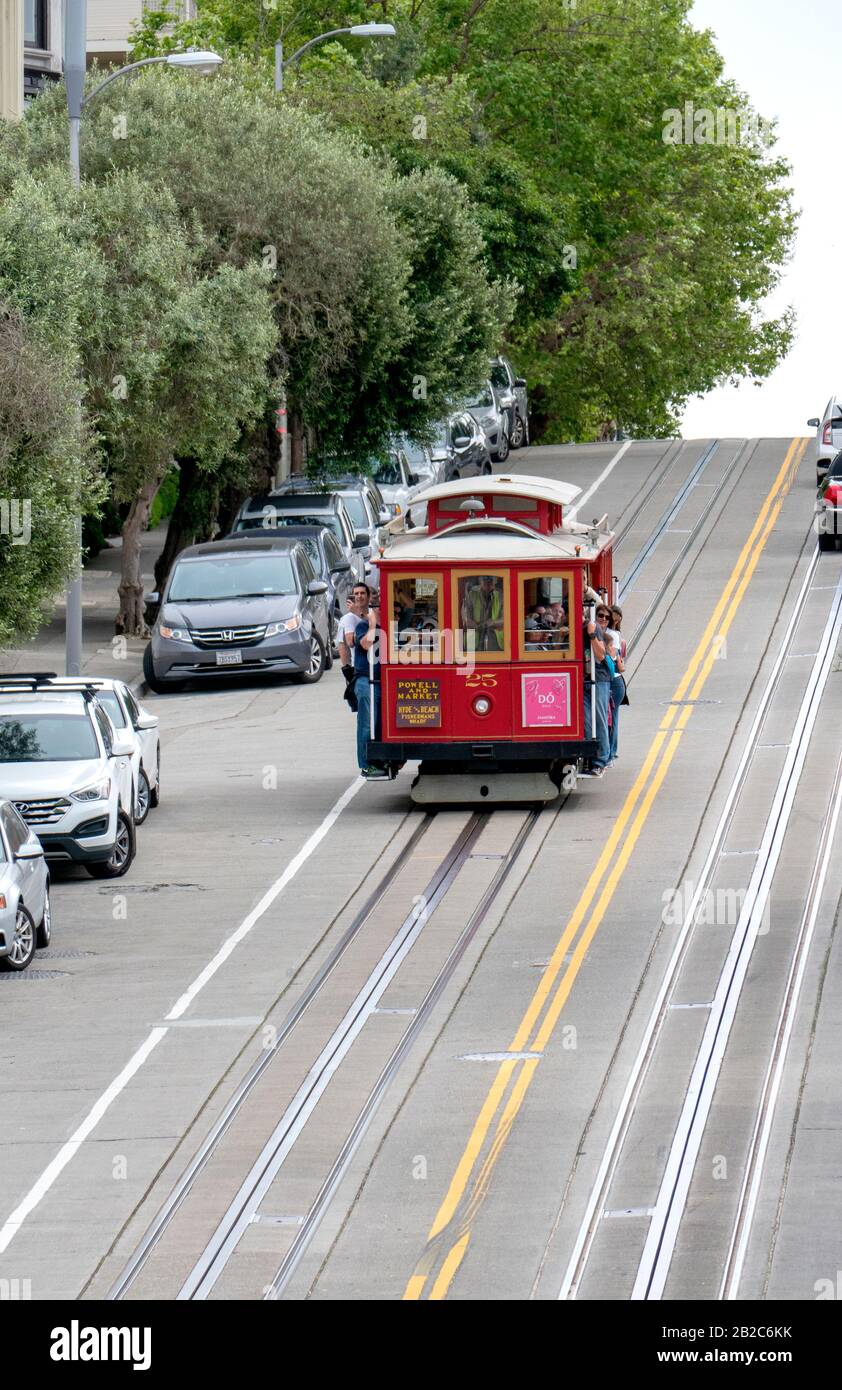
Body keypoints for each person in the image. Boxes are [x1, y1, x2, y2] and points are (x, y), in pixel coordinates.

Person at [351, 604, 388, 779]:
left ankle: (380, 760)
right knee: (367, 724)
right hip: (366, 680)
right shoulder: (363, 626)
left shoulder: (386, 626)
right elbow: (366, 644)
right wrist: (372, 623)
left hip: (381, 681)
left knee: (381, 723)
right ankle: (366, 765)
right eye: (378, 606)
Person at [581, 604, 611, 776]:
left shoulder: (595, 628)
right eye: (601, 615)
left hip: (599, 679)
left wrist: (592, 634)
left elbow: (600, 656)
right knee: (587, 720)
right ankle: (590, 758)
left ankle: (602, 759)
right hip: (584, 679)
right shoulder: (577, 628)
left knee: (599, 719)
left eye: (606, 617)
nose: (603, 619)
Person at [606, 604, 627, 763]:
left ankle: (611, 752)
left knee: (611, 718)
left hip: (613, 680)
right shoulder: (615, 633)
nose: (605, 619)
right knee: (614, 717)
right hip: (617, 681)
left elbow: (615, 657)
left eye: (608, 616)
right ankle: (612, 751)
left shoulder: (611, 634)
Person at [462, 575, 505, 652]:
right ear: (479, 580)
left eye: (491, 579)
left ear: (496, 580)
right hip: (473, 644)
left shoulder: (501, 596)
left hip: (495, 645)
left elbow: (507, 619)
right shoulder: (472, 594)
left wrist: (493, 622)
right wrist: (472, 623)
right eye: (485, 579)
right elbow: (465, 618)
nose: (488, 581)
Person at [337, 584, 370, 669]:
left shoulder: (373, 613)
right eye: (356, 593)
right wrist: (347, 669)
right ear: (353, 597)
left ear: (368, 596)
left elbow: (376, 624)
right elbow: (349, 643)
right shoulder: (349, 618)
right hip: (360, 667)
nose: (359, 596)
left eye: (362, 593)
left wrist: (358, 612)